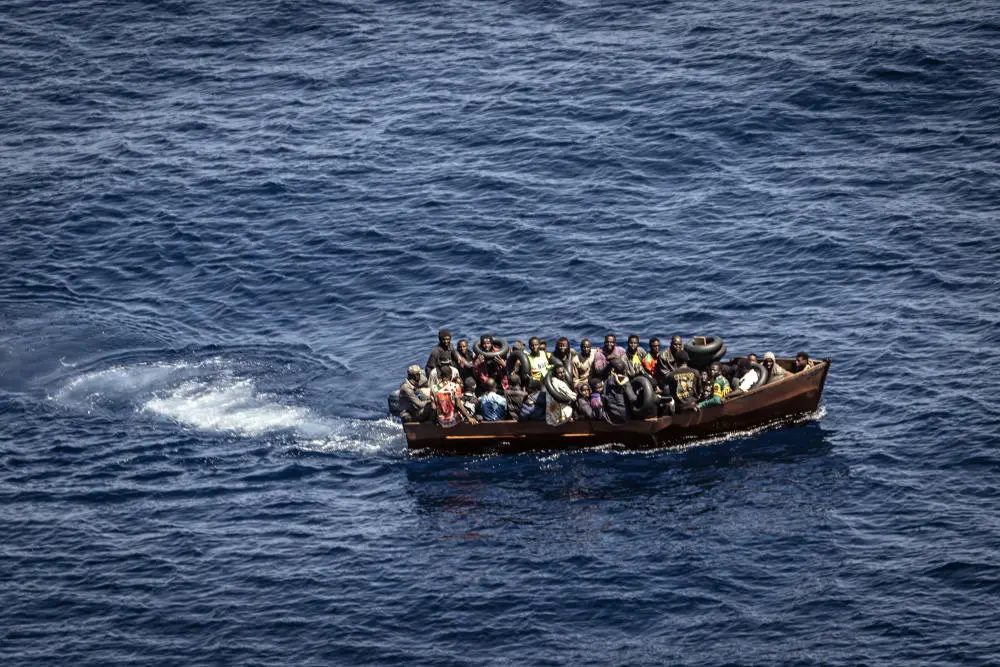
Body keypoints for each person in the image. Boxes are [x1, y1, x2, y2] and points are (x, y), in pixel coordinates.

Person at [431, 361, 477, 426]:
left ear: (441, 376)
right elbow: (458, 404)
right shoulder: (455, 387)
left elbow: (433, 407)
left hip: (442, 422)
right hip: (454, 421)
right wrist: (469, 417)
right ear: (451, 376)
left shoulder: (434, 388)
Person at [601, 357, 631, 424]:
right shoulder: (626, 381)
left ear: (612, 369)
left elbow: (604, 397)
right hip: (625, 417)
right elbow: (632, 398)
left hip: (611, 417)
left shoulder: (607, 381)